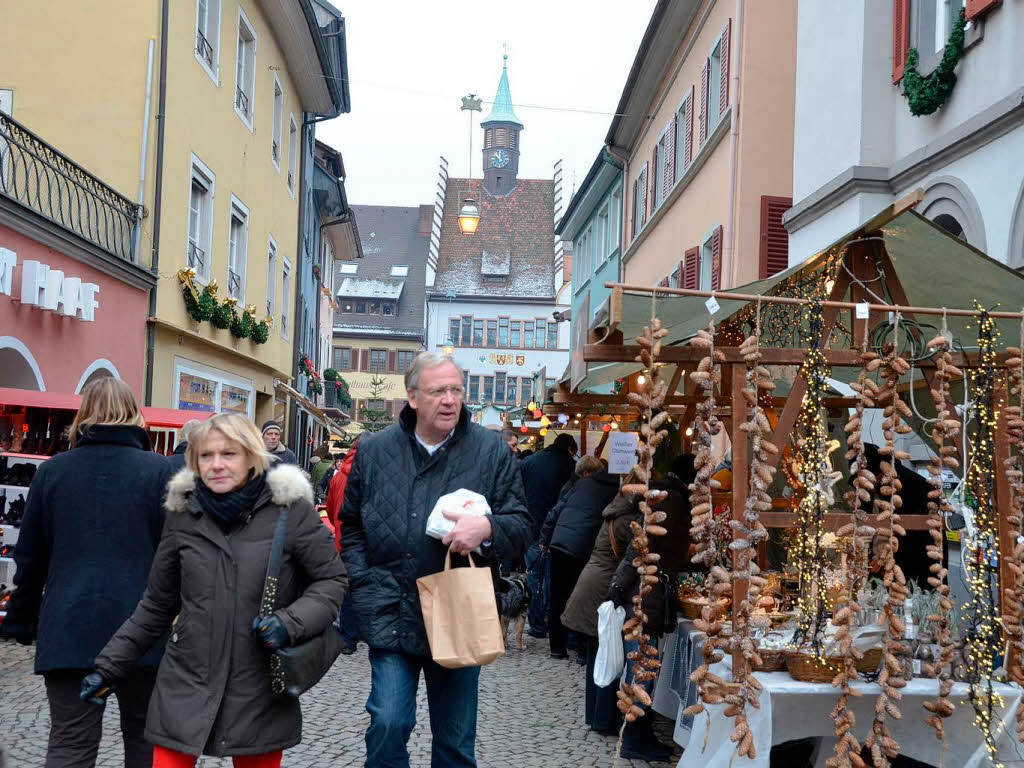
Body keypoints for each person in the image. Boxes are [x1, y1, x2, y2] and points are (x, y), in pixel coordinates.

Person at [82, 413, 346, 768]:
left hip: (259, 681)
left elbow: (331, 581)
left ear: (252, 456)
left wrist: (290, 622)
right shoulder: (183, 514)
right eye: (206, 456)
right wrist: (108, 667)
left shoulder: (288, 510)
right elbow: (157, 604)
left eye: (229, 454)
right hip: (186, 676)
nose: (217, 465)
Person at [340, 352, 531, 768]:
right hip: (392, 608)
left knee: (455, 743)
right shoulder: (374, 451)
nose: (449, 400)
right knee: (387, 725)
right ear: (412, 397)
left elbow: (521, 525)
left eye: (456, 390)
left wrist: (487, 530)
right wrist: (362, 580)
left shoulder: (490, 451)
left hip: (459, 608)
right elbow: (350, 524)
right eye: (438, 391)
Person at [0, 378, 174, 768]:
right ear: (135, 415)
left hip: (69, 624)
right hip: (141, 629)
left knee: (70, 743)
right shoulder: (159, 471)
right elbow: (175, 556)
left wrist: (20, 621)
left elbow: (30, 558)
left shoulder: (53, 472)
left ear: (84, 416)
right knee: (145, 737)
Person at [605, 456, 698, 762]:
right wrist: (619, 588)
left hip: (651, 591)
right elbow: (640, 545)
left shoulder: (672, 498)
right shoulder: (670, 500)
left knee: (645, 664)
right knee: (641, 665)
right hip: (645, 595)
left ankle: (639, 731)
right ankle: (634, 735)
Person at [560, 482, 641, 736]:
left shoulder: (612, 512)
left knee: (598, 654)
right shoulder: (628, 521)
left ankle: (596, 716)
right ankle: (604, 720)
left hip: (594, 584)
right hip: (602, 589)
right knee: (607, 654)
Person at [541, 456, 618, 660]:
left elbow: (555, 511)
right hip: (583, 547)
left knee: (558, 597)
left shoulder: (581, 484)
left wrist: (546, 539)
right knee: (583, 597)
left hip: (560, 542)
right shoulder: (614, 491)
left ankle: (557, 648)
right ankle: (583, 649)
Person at [519, 432, 577, 636]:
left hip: (532, 527)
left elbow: (518, 493)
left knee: (534, 577)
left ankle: (536, 625)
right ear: (570, 449)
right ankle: (553, 626)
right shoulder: (570, 466)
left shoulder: (529, 462)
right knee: (553, 581)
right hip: (557, 532)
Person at [325, 441, 360, 654]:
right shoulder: (371, 474)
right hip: (366, 543)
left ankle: (348, 637)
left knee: (347, 589)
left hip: (343, 541)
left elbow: (330, 509)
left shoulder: (338, 477)